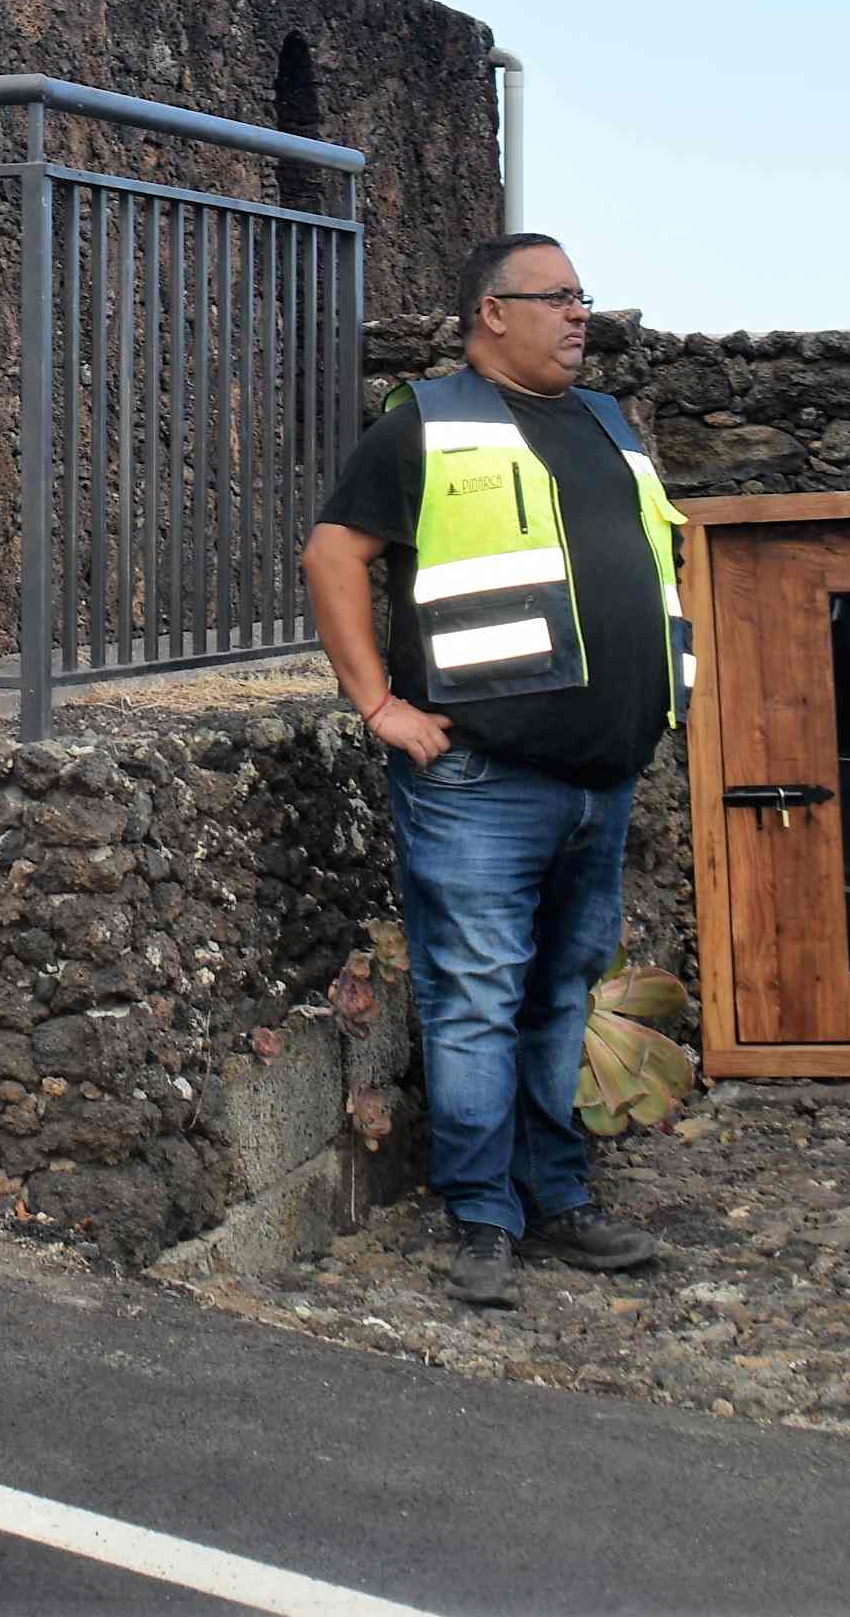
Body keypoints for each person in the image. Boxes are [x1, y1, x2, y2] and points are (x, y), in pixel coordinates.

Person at [302, 232, 686, 1309]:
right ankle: (482, 1218)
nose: (579, 316)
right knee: (474, 999)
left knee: (558, 997)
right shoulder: (424, 421)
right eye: (555, 298)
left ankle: (555, 1199)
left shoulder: (609, 422)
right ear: (490, 314)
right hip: (479, 781)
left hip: (598, 781)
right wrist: (377, 703)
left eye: (582, 298)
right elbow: (333, 553)